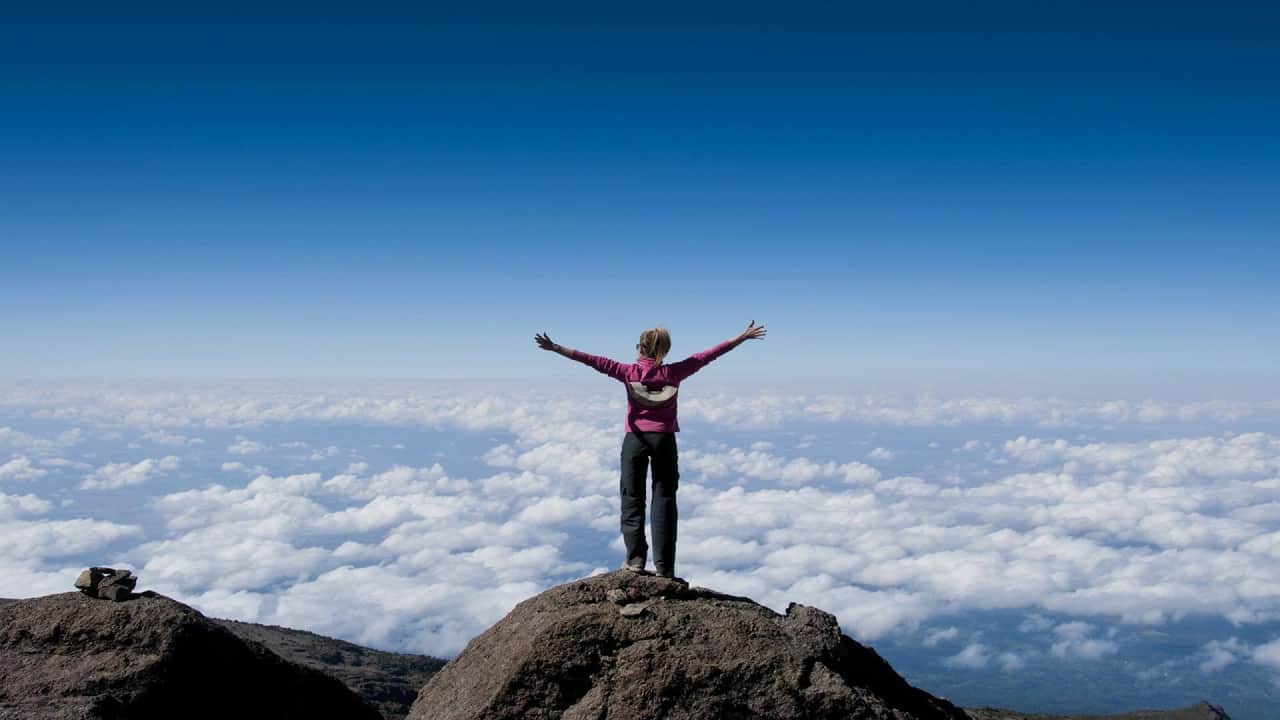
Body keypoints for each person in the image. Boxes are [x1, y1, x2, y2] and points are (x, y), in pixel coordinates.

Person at [534, 321, 767, 579]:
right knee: (664, 500)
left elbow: (591, 360)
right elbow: (708, 356)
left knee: (632, 499)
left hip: (634, 440)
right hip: (664, 441)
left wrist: (555, 348)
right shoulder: (674, 373)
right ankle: (664, 568)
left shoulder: (626, 372)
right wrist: (741, 337)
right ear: (662, 351)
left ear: (640, 348)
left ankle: (635, 561)